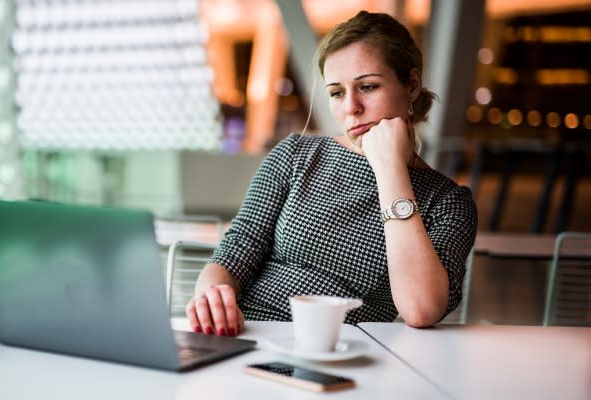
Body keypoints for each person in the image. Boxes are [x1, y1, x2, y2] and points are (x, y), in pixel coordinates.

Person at [186, 10, 477, 337]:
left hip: (343, 355)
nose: (351, 107)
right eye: (337, 92)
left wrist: (390, 171)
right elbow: (237, 248)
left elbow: (421, 309)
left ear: (411, 85)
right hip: (248, 334)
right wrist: (210, 295)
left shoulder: (449, 202)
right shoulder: (296, 154)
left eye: (367, 86)